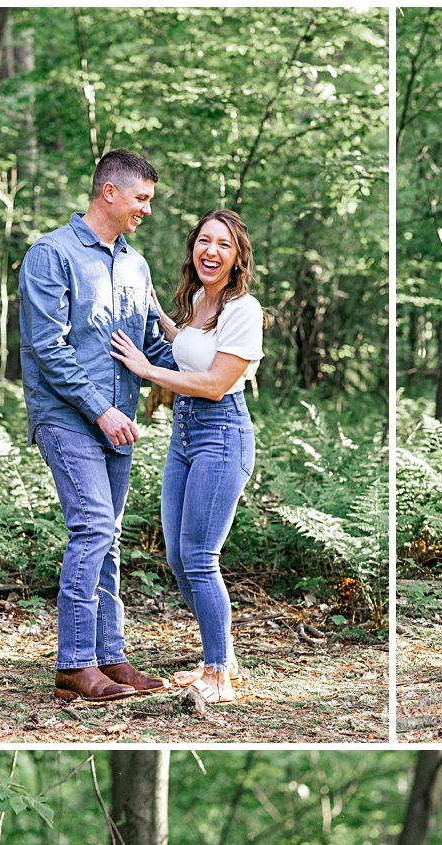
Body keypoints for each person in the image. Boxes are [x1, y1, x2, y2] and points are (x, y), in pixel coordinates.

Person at [18, 149, 177, 705]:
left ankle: (110, 658)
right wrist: (100, 409)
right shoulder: (50, 255)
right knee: (92, 530)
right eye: (142, 199)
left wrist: (210, 355)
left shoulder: (136, 265)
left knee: (106, 538)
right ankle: (73, 666)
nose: (147, 210)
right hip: (68, 417)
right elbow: (48, 348)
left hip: (117, 423)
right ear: (109, 192)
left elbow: (151, 348)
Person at [112, 210, 264, 706]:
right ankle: (220, 658)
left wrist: (146, 368)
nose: (211, 251)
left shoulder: (245, 309)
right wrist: (159, 318)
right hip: (185, 438)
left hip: (223, 436)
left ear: (237, 255)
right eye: (204, 241)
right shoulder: (200, 301)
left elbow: (217, 383)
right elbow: (193, 348)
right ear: (193, 247)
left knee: (201, 557)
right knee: (179, 556)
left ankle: (218, 672)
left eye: (223, 244)